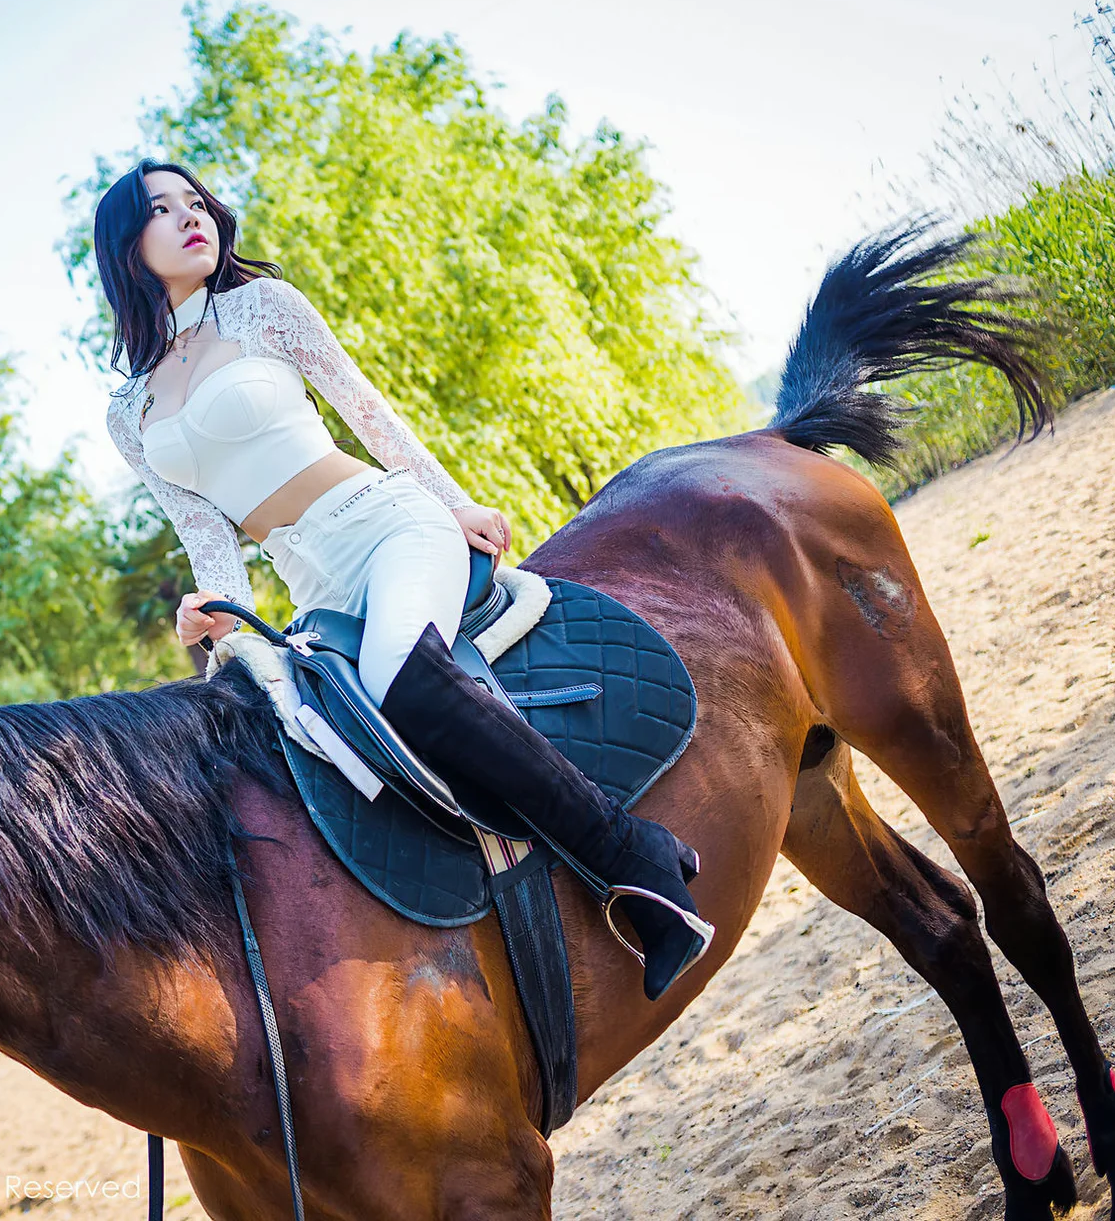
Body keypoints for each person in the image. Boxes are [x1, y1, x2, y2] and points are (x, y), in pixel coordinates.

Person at [94, 158, 712, 1000]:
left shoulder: (263, 309)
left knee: (399, 677)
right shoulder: (128, 412)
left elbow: (367, 408)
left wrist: (454, 505)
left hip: (384, 525)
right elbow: (206, 532)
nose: (189, 216)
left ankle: (630, 853)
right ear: (127, 249)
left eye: (195, 201)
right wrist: (215, 626)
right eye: (161, 210)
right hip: (309, 584)